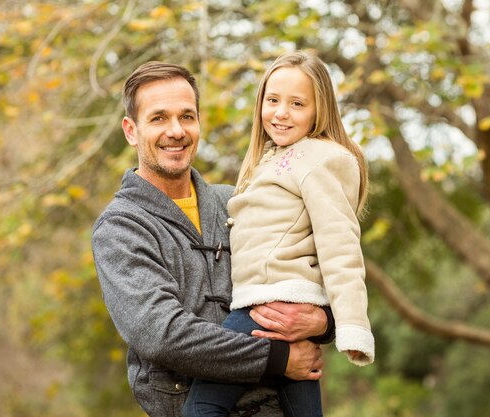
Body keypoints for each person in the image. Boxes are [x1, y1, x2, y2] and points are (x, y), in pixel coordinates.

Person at [91, 61, 335, 417]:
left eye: (187, 116)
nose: (176, 131)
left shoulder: (236, 199)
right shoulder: (120, 228)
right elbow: (164, 334)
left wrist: (323, 321)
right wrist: (277, 357)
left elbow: (311, 269)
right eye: (159, 118)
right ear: (131, 130)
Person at [183, 51, 375, 417]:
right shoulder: (271, 158)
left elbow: (340, 246)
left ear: (319, 111)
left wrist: (352, 326)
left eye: (297, 104)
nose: (280, 112)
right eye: (272, 100)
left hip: (268, 306)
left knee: (201, 408)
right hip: (278, 306)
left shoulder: (320, 159)